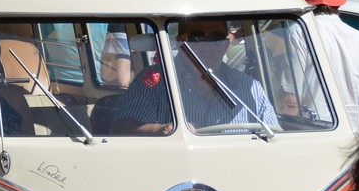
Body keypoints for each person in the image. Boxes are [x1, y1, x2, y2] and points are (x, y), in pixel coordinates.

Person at [112, 19, 279, 135]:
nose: (207, 46)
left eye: (216, 39)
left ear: (226, 44)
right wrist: (161, 130)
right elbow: (122, 129)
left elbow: (275, 136)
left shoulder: (250, 87)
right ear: (180, 42)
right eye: (196, 38)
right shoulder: (154, 80)